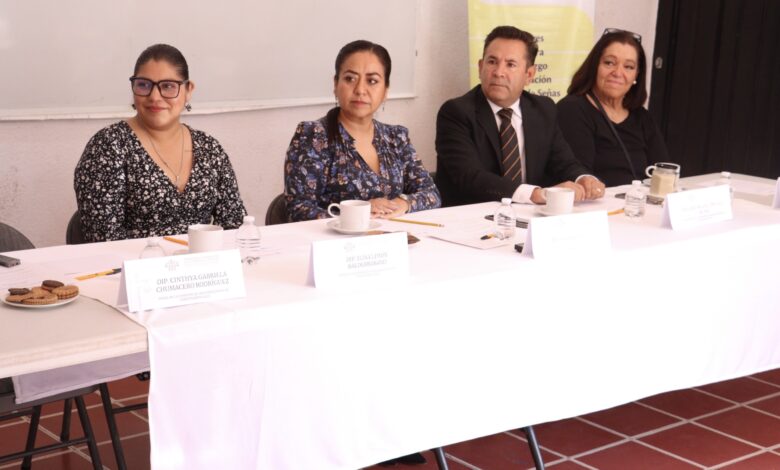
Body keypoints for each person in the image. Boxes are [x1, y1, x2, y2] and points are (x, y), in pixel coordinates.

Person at [74, 44, 246, 242]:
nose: (155, 97)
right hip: (135, 261)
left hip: (202, 261)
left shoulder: (209, 148)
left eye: (168, 86)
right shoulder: (108, 146)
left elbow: (235, 227)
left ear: (188, 90)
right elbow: (104, 240)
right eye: (143, 85)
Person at [435, 25, 605, 208]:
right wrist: (535, 194)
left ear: (529, 75)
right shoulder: (456, 112)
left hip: (529, 214)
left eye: (510, 64)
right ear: (480, 67)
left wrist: (583, 178)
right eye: (492, 62)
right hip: (471, 215)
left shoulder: (543, 109)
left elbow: (563, 162)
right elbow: (469, 177)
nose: (498, 72)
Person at [284, 40, 440, 222]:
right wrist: (359, 212)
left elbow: (431, 194)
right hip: (337, 238)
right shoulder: (314, 135)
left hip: (392, 235)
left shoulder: (396, 137)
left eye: (372, 81)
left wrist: (402, 203)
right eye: (350, 79)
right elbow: (298, 209)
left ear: (385, 90)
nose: (360, 90)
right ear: (335, 84)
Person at [557, 29, 670, 186]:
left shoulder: (642, 116)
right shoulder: (572, 110)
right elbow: (578, 177)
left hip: (639, 200)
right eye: (609, 63)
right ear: (595, 66)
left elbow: (664, 171)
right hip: (596, 200)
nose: (618, 73)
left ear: (637, 75)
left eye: (628, 67)